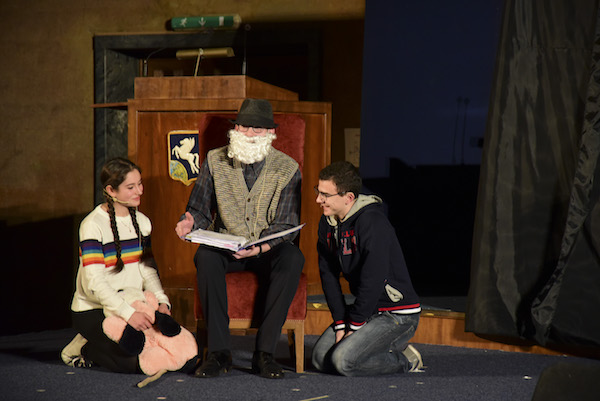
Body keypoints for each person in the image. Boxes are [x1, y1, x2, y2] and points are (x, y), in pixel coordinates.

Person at [175, 98, 304, 379]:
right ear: (235, 129)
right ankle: (219, 353)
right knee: (205, 256)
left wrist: (260, 247)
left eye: (258, 129)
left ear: (270, 133)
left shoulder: (288, 168)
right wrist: (189, 221)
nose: (249, 134)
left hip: (267, 248)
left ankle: (264, 354)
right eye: (244, 127)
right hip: (227, 245)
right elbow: (199, 209)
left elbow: (287, 223)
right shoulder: (214, 160)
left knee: (293, 257)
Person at [61, 157, 175, 373]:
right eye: (130, 187)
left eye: (140, 184)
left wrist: (162, 302)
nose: (139, 191)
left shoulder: (143, 222)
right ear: (111, 190)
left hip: (132, 302)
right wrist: (128, 314)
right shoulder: (92, 225)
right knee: (132, 362)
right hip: (94, 309)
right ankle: (82, 347)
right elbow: (95, 283)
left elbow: (148, 270)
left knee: (161, 351)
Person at [311, 161, 423, 376]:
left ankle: (405, 360)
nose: (318, 199)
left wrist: (354, 326)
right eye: (319, 191)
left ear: (348, 197)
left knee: (342, 362)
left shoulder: (372, 222)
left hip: (397, 315)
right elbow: (328, 276)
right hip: (367, 310)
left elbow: (373, 279)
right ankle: (370, 348)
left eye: (325, 195)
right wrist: (341, 323)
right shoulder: (327, 223)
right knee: (319, 360)